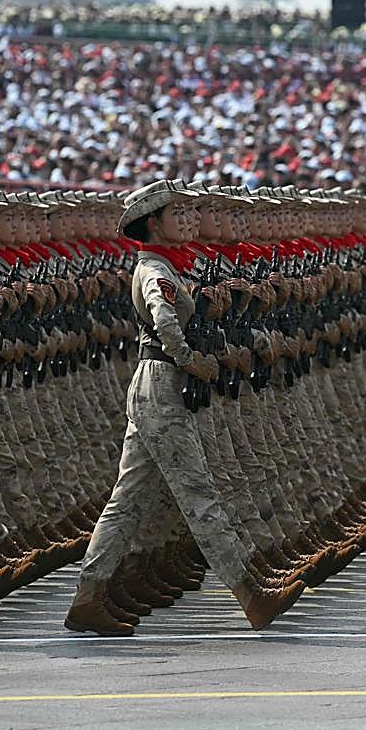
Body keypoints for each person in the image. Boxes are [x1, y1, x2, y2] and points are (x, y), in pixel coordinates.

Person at [64, 180, 303, 635]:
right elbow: (164, 321)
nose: (188, 221)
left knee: (129, 498)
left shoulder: (174, 267)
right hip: (164, 386)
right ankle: (250, 593)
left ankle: (89, 595)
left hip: (162, 386)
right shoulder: (155, 271)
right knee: (199, 494)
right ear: (154, 223)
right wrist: (194, 360)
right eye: (178, 215)